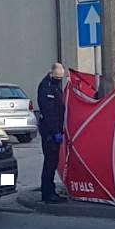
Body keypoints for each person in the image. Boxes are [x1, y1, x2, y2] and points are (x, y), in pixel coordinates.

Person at [37, 63, 67, 204]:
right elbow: (50, 114)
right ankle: (47, 194)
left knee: (52, 162)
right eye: (58, 77)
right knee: (49, 163)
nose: (59, 79)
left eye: (61, 77)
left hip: (54, 131)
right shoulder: (46, 88)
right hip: (49, 133)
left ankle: (50, 191)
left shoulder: (53, 86)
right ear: (52, 74)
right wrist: (55, 132)